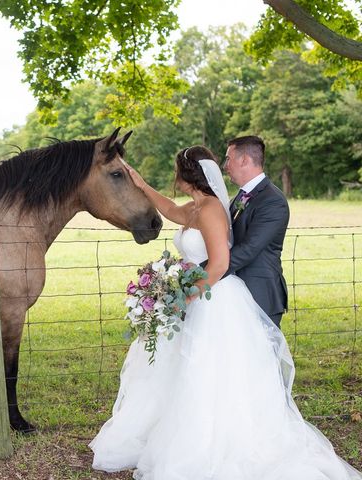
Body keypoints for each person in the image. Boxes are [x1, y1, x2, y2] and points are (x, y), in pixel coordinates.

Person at [89, 145, 361, 480]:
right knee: (189, 371)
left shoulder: (213, 209)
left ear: (184, 175)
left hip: (214, 300)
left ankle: (214, 442)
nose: (227, 165)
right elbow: (172, 210)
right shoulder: (198, 206)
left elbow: (219, 264)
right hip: (203, 294)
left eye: (231, 158)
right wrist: (141, 185)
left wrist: (182, 295)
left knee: (212, 372)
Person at [222, 135, 289, 327]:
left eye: (228, 158)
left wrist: (203, 271)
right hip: (237, 291)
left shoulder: (272, 201)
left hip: (261, 294)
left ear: (244, 160)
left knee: (263, 356)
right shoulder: (240, 197)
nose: (226, 166)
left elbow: (249, 249)